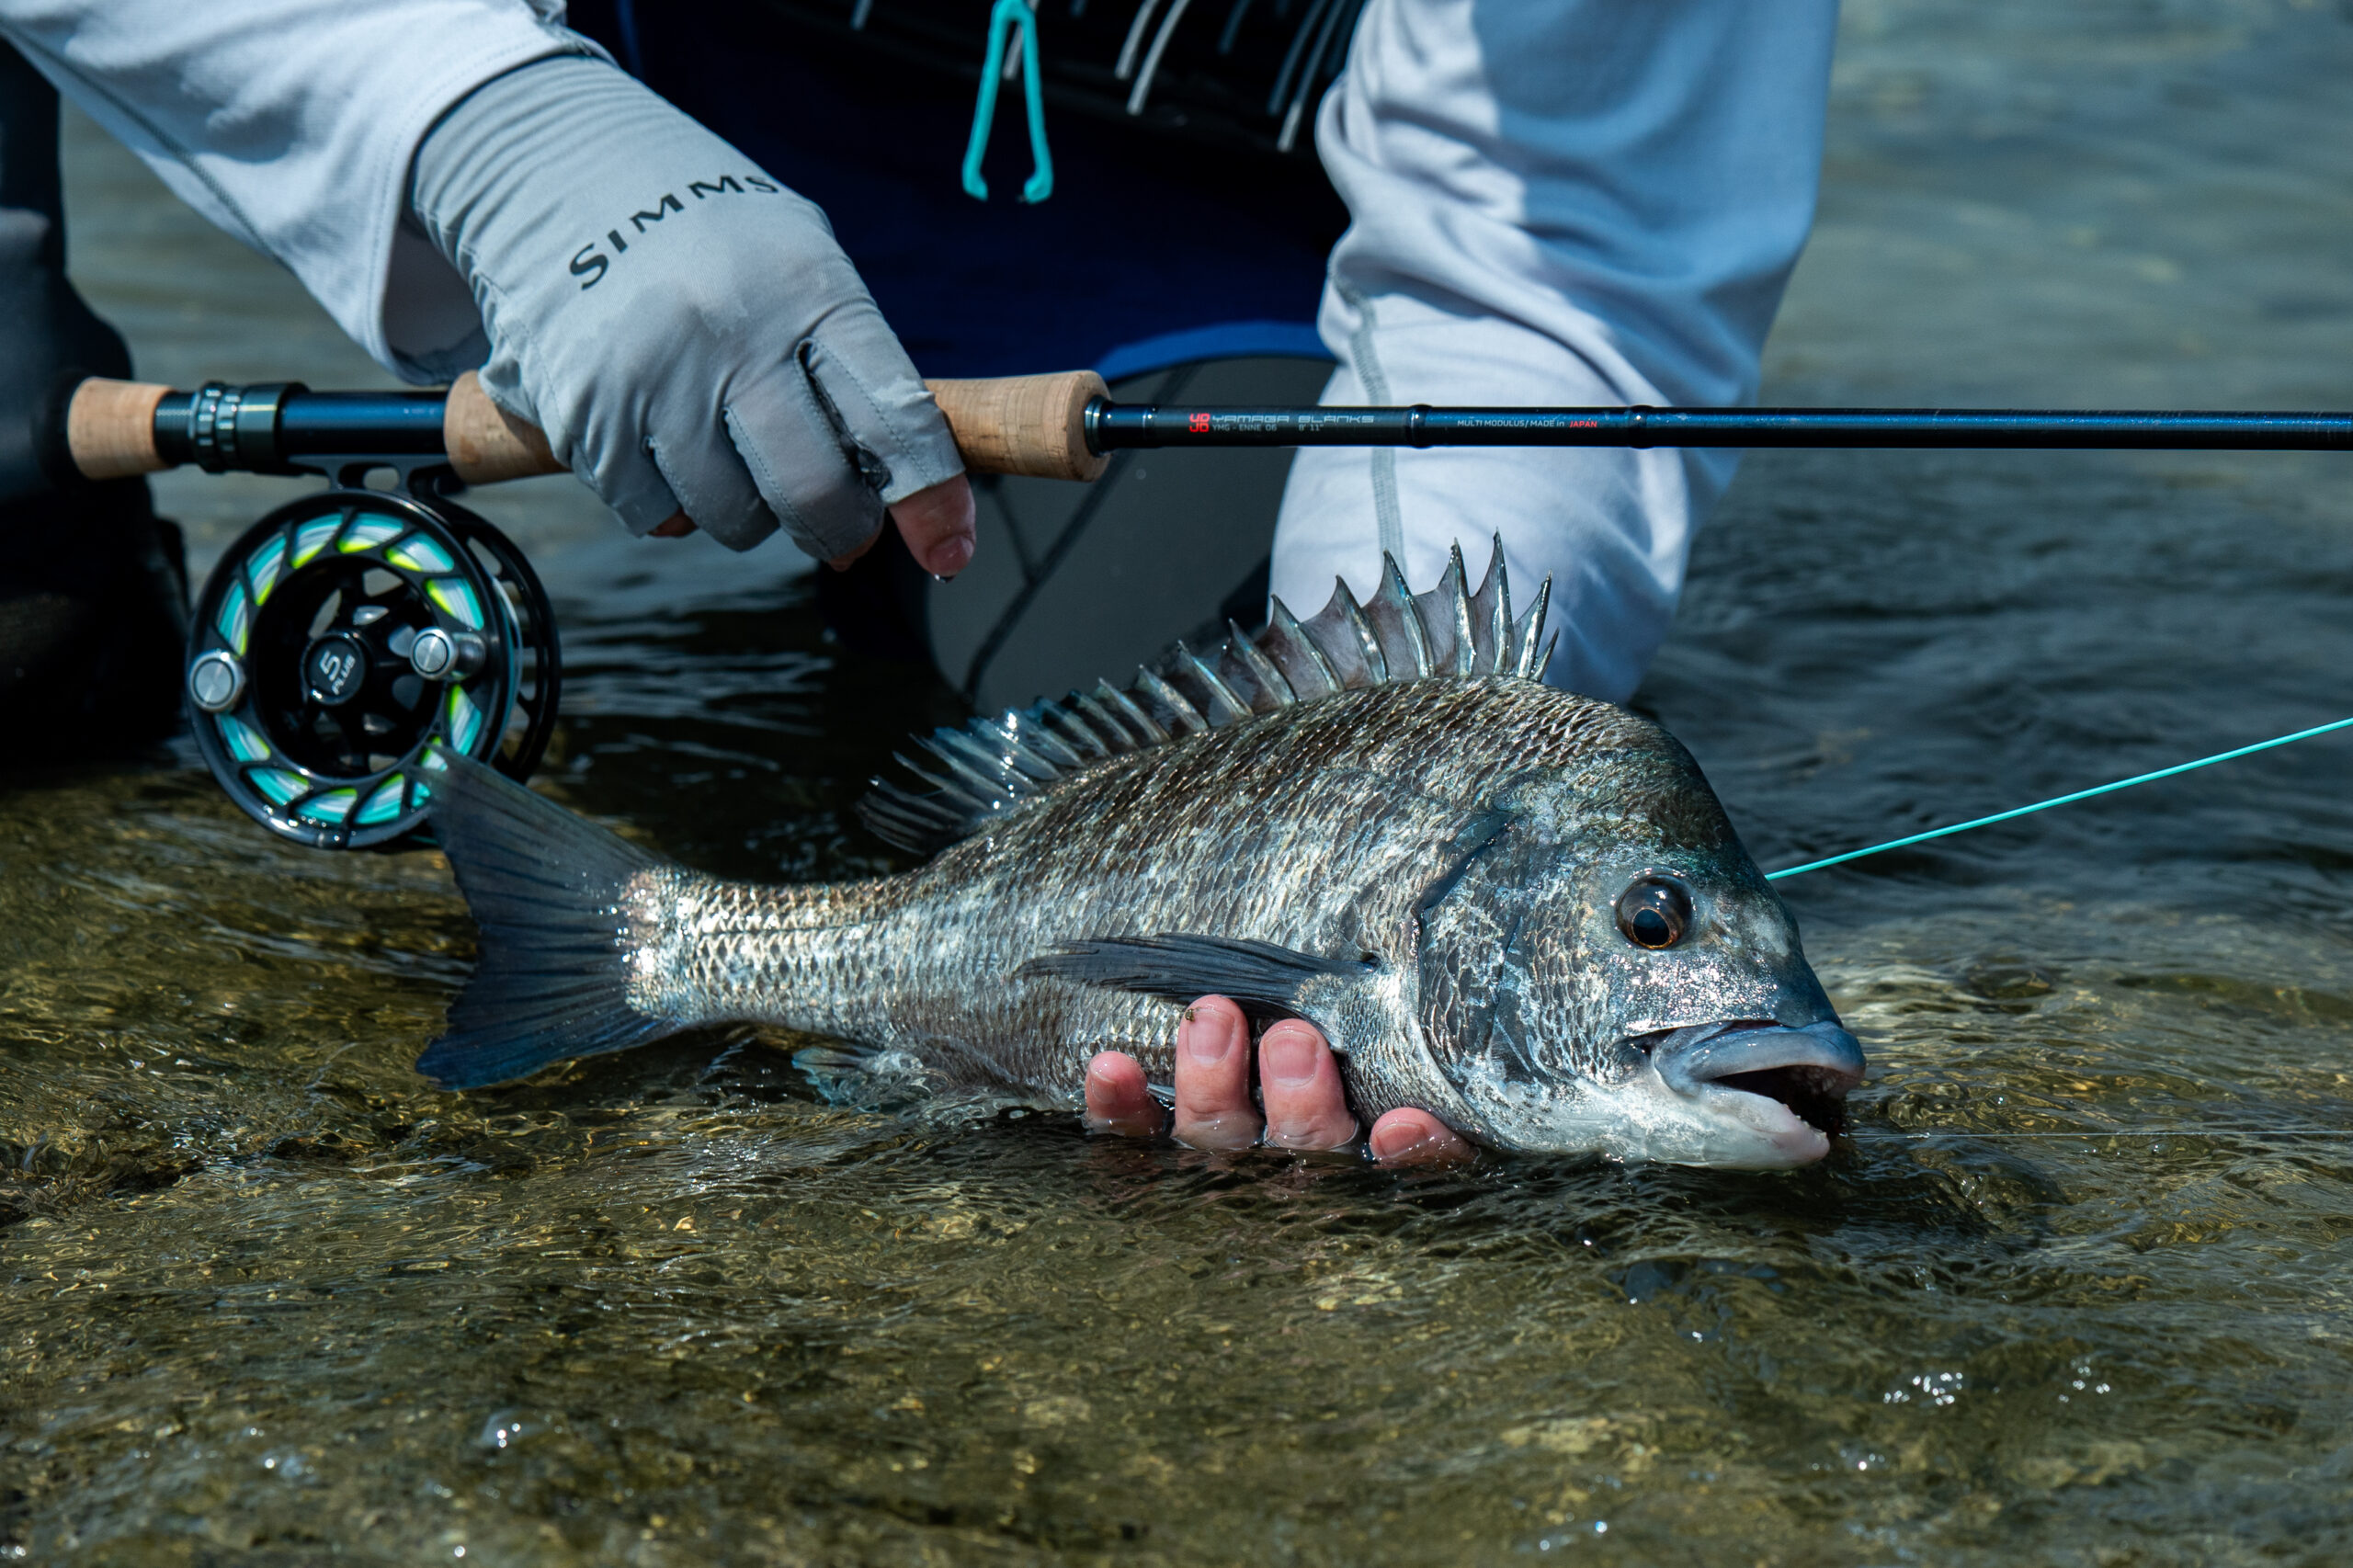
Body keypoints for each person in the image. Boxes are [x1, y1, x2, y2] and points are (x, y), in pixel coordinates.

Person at [0, 0, 1836, 1164]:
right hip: (627, 77)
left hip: (1159, 258)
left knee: (1155, 654)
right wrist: (475, 116)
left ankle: (702, 937)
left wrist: (1381, 716)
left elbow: (1560, 245)